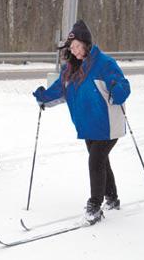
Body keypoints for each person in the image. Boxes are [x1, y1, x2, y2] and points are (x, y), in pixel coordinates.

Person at [33, 20, 131, 224]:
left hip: (108, 124)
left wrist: (117, 90)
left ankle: (94, 206)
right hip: (88, 125)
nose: (75, 51)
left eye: (78, 46)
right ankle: (112, 198)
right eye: (72, 47)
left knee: (95, 161)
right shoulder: (70, 69)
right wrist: (43, 97)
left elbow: (123, 85)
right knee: (101, 161)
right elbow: (59, 91)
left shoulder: (104, 63)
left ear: (87, 44)